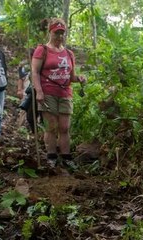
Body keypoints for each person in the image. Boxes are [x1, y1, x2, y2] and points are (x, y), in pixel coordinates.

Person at [31, 18, 86, 168]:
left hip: (65, 93)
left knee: (64, 127)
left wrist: (79, 78)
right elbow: (35, 72)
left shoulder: (69, 53)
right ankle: (51, 156)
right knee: (51, 126)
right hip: (48, 92)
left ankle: (66, 157)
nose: (60, 36)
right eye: (57, 33)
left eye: (62, 33)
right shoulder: (42, 50)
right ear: (50, 32)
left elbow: (71, 76)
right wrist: (39, 91)